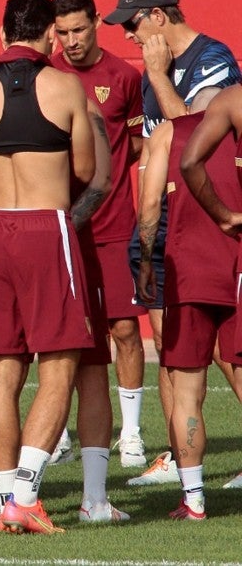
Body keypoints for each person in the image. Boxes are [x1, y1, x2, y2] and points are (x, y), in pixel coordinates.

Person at [0, 0, 96, 534]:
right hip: (45, 226)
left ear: (1, 33)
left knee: (2, 371)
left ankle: (5, 496)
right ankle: (25, 498)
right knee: (60, 365)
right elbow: (83, 166)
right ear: (50, 36)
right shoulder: (65, 85)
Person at [102, 0, 242, 486]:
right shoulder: (149, 73)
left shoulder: (214, 60)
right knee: (170, 345)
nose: (129, 37)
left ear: (159, 16)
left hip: (209, 224)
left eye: (133, 24)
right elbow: (151, 148)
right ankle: (179, 457)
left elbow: (196, 145)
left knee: (230, 349)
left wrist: (160, 77)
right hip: (164, 226)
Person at [48, 0, 146, 471]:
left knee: (125, 328)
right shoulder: (47, 77)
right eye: (62, 32)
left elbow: (138, 147)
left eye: (79, 29)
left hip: (114, 226)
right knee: (64, 332)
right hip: (61, 228)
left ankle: (130, 434)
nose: (71, 40)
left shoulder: (125, 78)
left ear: (96, 23)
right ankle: (60, 431)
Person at [138, 104, 242, 521]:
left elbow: (149, 209)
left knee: (185, 390)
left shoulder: (169, 133)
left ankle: (194, 499)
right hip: (236, 266)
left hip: (189, 274)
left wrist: (146, 262)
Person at [178, 84, 242, 491]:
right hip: (214, 267)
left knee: (186, 381)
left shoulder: (232, 100)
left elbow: (189, 161)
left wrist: (224, 216)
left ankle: (194, 499)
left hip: (194, 267)